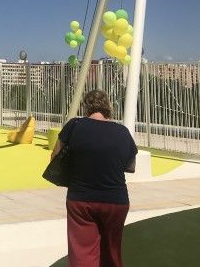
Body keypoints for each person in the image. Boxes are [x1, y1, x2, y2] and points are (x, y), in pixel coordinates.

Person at [51, 89, 137, 267]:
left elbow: (55, 156)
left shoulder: (74, 125)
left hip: (81, 199)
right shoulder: (122, 132)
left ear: (86, 107)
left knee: (82, 252)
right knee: (111, 252)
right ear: (108, 107)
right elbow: (131, 166)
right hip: (116, 201)